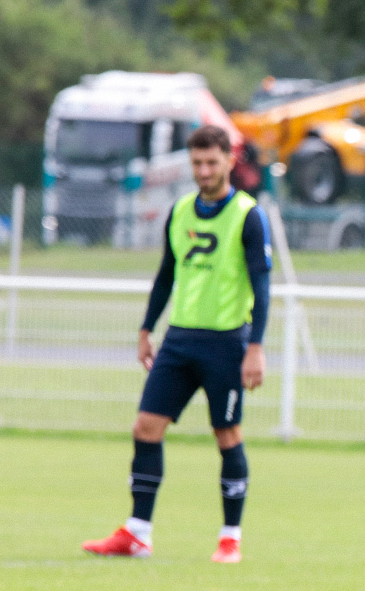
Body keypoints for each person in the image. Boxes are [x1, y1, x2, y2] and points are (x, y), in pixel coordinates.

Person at [84, 125, 272, 564]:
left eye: (211, 162)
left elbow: (262, 288)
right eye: (197, 163)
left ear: (229, 161)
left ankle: (230, 538)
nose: (204, 171)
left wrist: (255, 347)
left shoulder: (248, 215)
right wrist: (146, 328)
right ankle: (137, 533)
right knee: (145, 428)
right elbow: (166, 274)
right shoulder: (180, 211)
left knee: (226, 434)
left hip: (226, 343)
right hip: (179, 341)